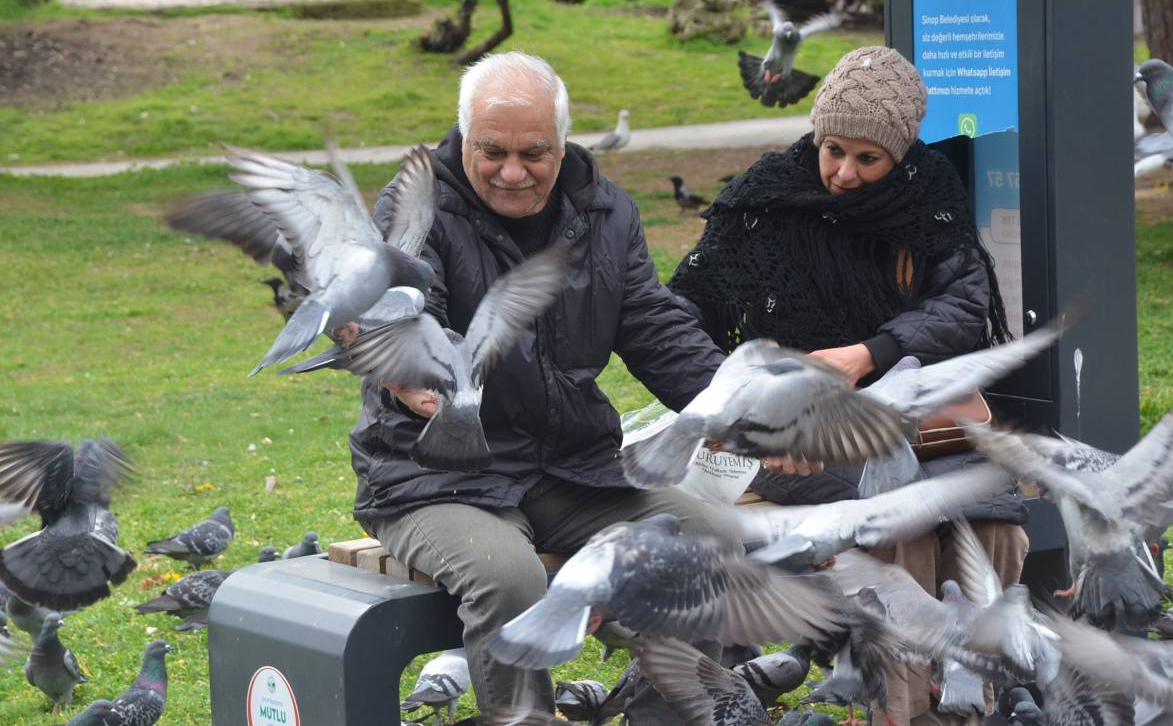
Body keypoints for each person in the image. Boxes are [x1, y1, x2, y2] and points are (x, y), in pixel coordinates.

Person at [347, 51, 730, 721]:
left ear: (563, 142)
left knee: (708, 542)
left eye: (535, 153)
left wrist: (739, 409)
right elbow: (396, 309)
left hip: (570, 468)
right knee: (511, 578)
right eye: (492, 151)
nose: (513, 171)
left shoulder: (607, 213)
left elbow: (655, 328)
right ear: (464, 136)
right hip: (433, 475)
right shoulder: (416, 207)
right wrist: (411, 369)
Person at [669, 45, 1030, 726]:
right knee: (895, 518)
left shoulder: (930, 196)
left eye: (869, 159)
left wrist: (870, 353)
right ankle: (899, 709)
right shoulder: (768, 198)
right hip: (801, 437)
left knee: (995, 519)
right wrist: (731, 396)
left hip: (919, 422)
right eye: (834, 149)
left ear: (901, 154)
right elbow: (683, 305)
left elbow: (967, 303)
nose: (843, 172)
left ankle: (972, 700)